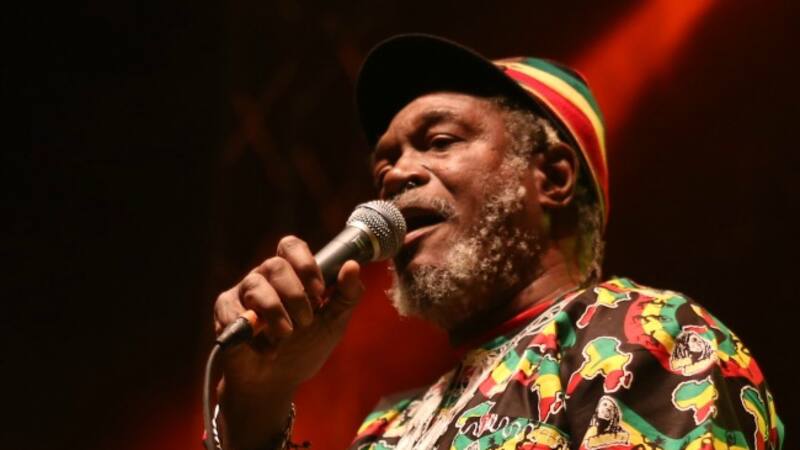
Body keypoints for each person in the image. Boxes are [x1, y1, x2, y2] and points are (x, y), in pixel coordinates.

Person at [211, 34, 784, 450]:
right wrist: (258, 401)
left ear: (553, 177)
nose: (396, 175)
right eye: (384, 164)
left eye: (439, 141)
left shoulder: (648, 335)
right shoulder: (388, 426)